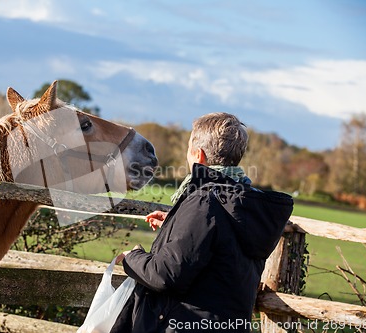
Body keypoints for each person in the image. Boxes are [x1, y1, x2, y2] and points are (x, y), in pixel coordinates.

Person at [111, 112, 294, 332]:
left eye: (188, 148)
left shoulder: (205, 201)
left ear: (198, 155)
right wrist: (175, 223)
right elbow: (222, 242)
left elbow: (166, 275)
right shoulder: (244, 201)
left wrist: (133, 257)